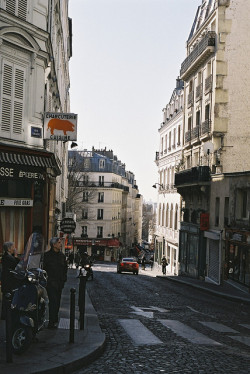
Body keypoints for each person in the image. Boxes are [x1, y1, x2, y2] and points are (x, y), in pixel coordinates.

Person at [43, 237, 67, 329]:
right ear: (54, 245)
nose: (60, 244)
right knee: (53, 301)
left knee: (57, 302)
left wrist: (64, 279)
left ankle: (54, 319)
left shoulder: (62, 256)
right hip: (51, 283)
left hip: (59, 283)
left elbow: (65, 268)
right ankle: (51, 322)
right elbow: (43, 269)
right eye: (59, 243)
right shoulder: (47, 256)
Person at [1, 242, 20, 320]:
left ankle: (6, 314)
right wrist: (16, 256)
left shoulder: (8, 256)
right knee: (7, 297)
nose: (14, 249)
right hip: (7, 280)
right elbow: (15, 263)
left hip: (8, 280)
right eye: (13, 247)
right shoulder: (7, 257)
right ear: (9, 249)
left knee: (7, 297)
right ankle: (5, 315)